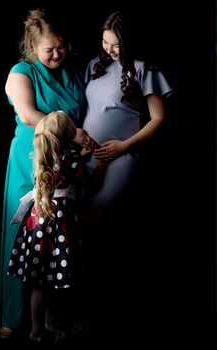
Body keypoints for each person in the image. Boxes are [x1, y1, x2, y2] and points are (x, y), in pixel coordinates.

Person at [0, 7, 95, 339]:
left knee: (63, 243)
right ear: (33, 45)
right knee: (21, 239)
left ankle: (60, 316)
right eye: (48, 49)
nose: (56, 54)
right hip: (32, 161)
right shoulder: (21, 71)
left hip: (66, 166)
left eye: (61, 47)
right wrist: (73, 133)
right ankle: (14, 316)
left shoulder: (74, 72)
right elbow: (27, 115)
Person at [79, 11, 173, 337]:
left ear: (129, 42)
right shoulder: (96, 64)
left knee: (91, 227)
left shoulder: (145, 68)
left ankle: (91, 312)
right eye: (105, 42)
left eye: (116, 45)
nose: (109, 50)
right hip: (88, 158)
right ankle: (81, 307)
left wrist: (123, 146)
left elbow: (158, 119)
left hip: (121, 156)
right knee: (82, 234)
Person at [7, 111, 97, 344]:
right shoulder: (71, 158)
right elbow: (84, 183)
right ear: (68, 134)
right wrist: (86, 160)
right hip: (60, 227)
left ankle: (43, 327)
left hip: (39, 225)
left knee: (42, 281)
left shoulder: (43, 156)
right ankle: (40, 330)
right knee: (52, 281)